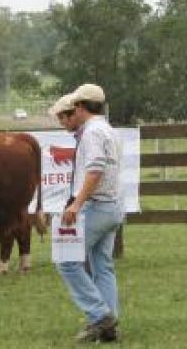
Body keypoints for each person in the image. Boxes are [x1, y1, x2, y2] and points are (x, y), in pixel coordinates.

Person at [56, 83, 124, 343]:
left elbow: (94, 169)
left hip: (98, 206)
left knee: (67, 260)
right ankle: (109, 325)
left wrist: (76, 204)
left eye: (74, 106)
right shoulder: (108, 130)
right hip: (114, 205)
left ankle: (100, 316)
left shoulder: (92, 133)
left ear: (81, 107)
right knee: (102, 265)